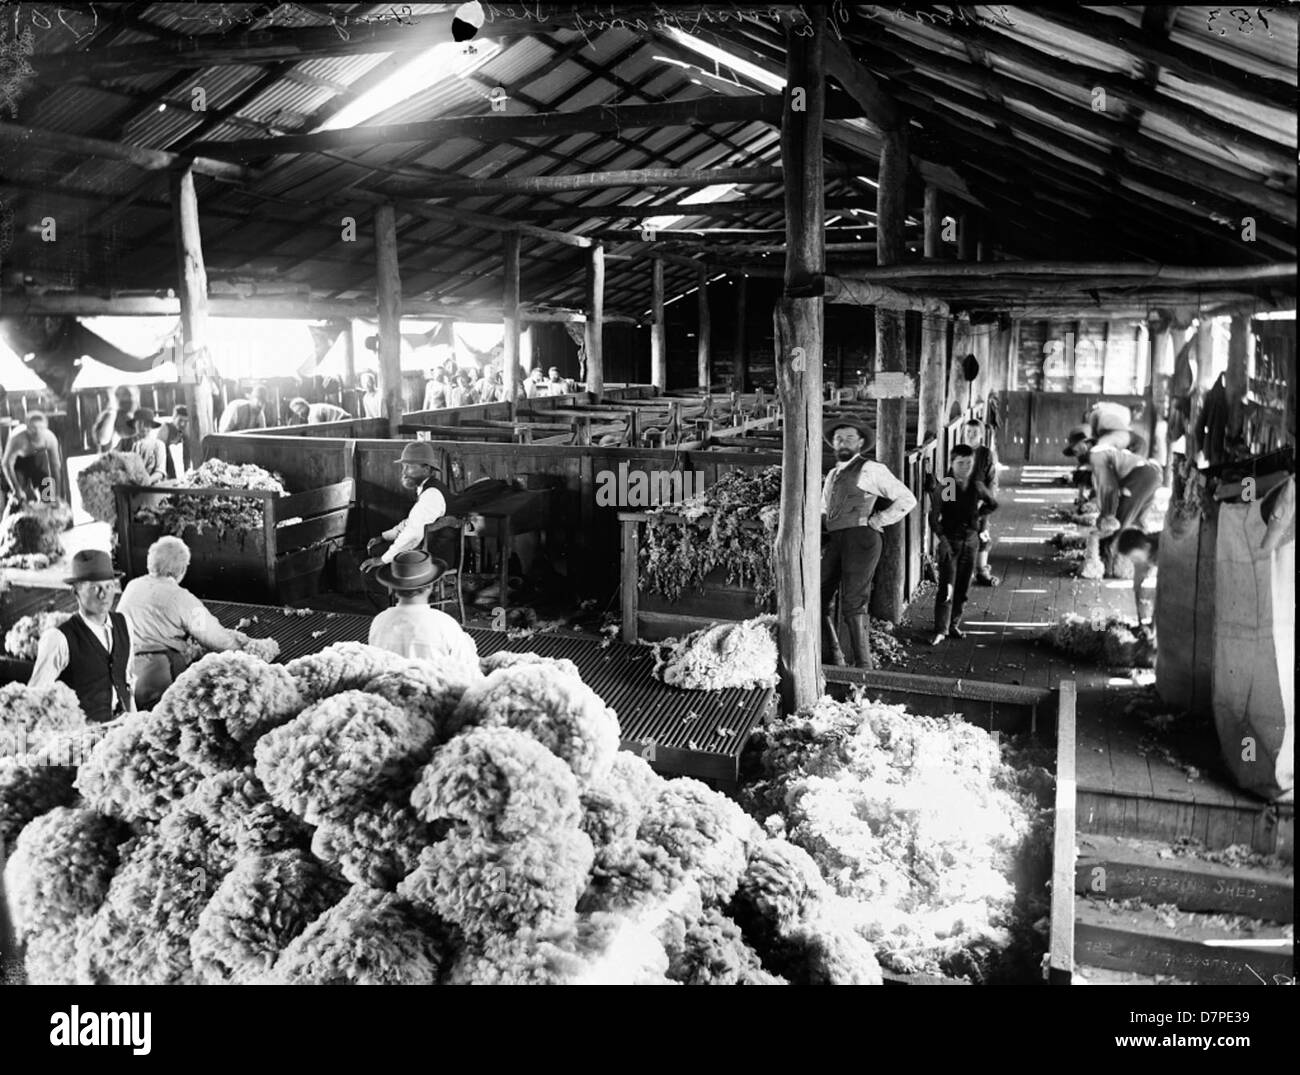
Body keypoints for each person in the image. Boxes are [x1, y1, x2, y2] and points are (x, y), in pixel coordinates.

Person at [116, 536, 261, 709]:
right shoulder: (182, 598)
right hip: (155, 681)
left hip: (122, 675)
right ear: (182, 568)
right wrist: (244, 651)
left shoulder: (133, 586)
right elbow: (212, 636)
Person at [821, 422, 918, 669]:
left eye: (849, 438)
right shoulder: (833, 474)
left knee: (854, 601)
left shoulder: (871, 469)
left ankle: (864, 667)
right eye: (838, 438)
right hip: (836, 539)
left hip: (862, 538)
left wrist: (878, 519)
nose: (843, 442)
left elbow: (907, 499)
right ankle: (834, 657)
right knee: (819, 597)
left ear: (861, 442)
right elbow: (824, 509)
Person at [29, 550, 135, 723]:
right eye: (94, 588)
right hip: (81, 738)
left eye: (109, 586)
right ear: (75, 591)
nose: (104, 595)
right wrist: (23, 747)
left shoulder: (124, 624)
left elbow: (127, 683)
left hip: (120, 732)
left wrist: (134, 725)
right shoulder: (59, 638)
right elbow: (33, 700)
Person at [928, 444, 999, 646]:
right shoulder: (948, 486)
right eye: (960, 463)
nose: (965, 467)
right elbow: (935, 517)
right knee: (947, 586)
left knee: (963, 586)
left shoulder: (976, 486)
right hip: (951, 541)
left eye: (969, 463)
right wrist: (942, 539)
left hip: (971, 541)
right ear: (952, 463)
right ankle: (941, 628)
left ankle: (954, 624)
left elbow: (992, 503)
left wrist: (978, 515)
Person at [1066, 431, 1163, 568]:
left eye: (1075, 448)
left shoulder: (1096, 455)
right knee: (1136, 523)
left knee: (1119, 525)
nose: (1075, 452)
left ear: (1086, 442)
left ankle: (1108, 564)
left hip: (1141, 476)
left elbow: (1107, 486)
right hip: (1151, 475)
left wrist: (1107, 515)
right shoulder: (1104, 454)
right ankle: (1138, 561)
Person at [360, 441, 450, 576]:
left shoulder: (431, 495)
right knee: (378, 547)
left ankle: (397, 594)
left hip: (433, 558)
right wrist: (384, 536)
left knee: (376, 552)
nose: (403, 472)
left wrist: (382, 560)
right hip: (431, 552)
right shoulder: (430, 489)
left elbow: (412, 534)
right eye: (403, 466)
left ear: (426, 469)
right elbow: (410, 523)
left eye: (409, 466)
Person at [368, 551, 466, 659]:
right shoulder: (445, 625)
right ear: (430, 586)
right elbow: (466, 667)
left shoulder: (379, 622)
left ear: (394, 587)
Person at [961, 418, 1001, 586]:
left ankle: (982, 570)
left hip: (980, 503)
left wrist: (986, 501)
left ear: (981, 435)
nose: (971, 435)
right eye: (968, 432)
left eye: (975, 433)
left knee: (982, 534)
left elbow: (991, 480)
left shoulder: (986, 454)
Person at [1, 410, 62, 503]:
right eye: (33, 428)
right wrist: (16, 488)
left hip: (38, 458)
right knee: (18, 499)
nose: (37, 432)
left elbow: (55, 467)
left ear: (45, 427)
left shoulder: (50, 439)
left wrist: (56, 495)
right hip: (18, 462)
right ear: (27, 429)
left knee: (49, 496)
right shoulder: (17, 439)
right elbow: (6, 464)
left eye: (41, 428)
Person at [1115, 528, 1159, 628]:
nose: (1134, 561)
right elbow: (1138, 582)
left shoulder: (1165, 552)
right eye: (1132, 559)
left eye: (1135, 558)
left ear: (1147, 547)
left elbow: (1164, 591)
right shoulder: (1145, 550)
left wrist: (1153, 625)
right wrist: (1140, 620)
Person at [92, 385, 141, 453]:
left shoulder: (141, 417)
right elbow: (102, 440)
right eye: (125, 395)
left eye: (133, 395)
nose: (131, 398)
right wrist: (112, 412)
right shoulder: (109, 416)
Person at [130, 408, 167, 484]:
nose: (143, 427)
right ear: (134, 424)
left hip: (151, 488)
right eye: (140, 423)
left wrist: (148, 481)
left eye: (146, 424)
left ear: (151, 426)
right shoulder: (126, 442)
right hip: (129, 488)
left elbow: (160, 471)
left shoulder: (158, 445)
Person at [156, 404, 191, 480]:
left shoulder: (186, 428)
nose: (182, 424)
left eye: (186, 421)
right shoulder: (166, 428)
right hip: (162, 458)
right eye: (180, 420)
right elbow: (159, 451)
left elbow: (187, 453)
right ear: (174, 418)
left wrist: (186, 471)